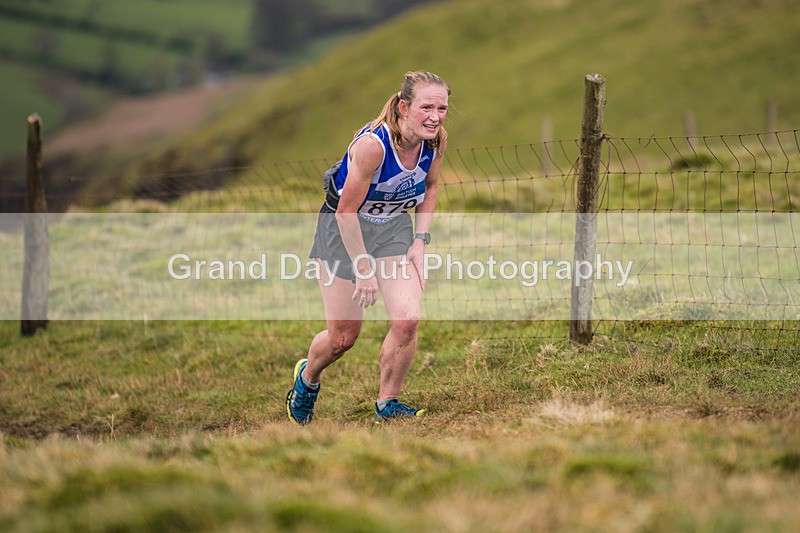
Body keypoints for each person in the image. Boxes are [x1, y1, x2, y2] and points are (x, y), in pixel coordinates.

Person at [286, 71, 450, 425]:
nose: (435, 117)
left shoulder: (435, 142)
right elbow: (346, 213)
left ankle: (387, 403)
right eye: (426, 107)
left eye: (442, 108)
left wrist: (420, 241)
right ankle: (307, 380)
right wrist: (363, 268)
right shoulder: (373, 147)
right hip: (343, 230)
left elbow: (432, 187)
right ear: (404, 107)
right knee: (343, 338)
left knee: (407, 320)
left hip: (392, 228)